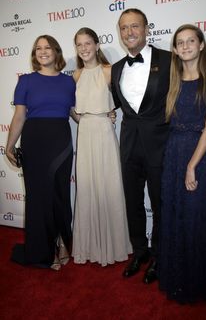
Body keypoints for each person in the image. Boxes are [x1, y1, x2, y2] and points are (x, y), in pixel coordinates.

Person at [158, 24, 206, 303]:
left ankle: (199, 283)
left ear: (201, 45)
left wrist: (191, 165)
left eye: (190, 41)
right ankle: (176, 279)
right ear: (174, 49)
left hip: (196, 157)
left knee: (196, 219)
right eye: (180, 43)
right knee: (174, 217)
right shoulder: (171, 82)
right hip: (172, 154)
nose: (185, 46)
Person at [6, 35, 76, 271]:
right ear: (35, 54)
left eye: (47, 48)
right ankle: (44, 251)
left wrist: (101, 116)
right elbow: (19, 116)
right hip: (34, 142)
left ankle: (62, 242)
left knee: (59, 194)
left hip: (62, 142)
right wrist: (8, 146)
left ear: (56, 51)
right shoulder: (26, 81)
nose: (43, 52)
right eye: (38, 48)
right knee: (39, 198)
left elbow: (75, 114)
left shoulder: (69, 82)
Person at [111, 8, 171, 283]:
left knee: (160, 203)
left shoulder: (170, 60)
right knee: (133, 201)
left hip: (160, 144)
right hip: (129, 145)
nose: (129, 32)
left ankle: (160, 255)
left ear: (147, 29)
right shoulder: (116, 68)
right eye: (124, 28)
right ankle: (139, 250)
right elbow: (120, 105)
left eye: (135, 26)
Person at [72, 27, 132, 266]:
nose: (84, 48)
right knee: (86, 189)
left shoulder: (109, 71)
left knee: (109, 187)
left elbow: (124, 102)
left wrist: (111, 114)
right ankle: (89, 247)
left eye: (88, 43)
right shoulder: (75, 76)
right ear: (76, 49)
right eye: (79, 44)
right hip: (84, 133)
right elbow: (76, 113)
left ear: (97, 45)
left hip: (105, 135)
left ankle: (114, 246)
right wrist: (82, 117)